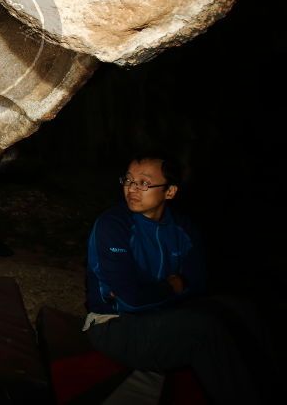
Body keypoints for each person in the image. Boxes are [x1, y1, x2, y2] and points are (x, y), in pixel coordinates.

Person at [84, 153, 278, 404]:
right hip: (114, 326)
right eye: (128, 180)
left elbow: (197, 285)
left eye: (144, 182)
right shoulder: (113, 225)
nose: (132, 188)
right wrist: (171, 287)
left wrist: (166, 291)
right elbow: (130, 301)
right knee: (204, 329)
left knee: (244, 310)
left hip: (160, 317)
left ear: (170, 191)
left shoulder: (183, 229)